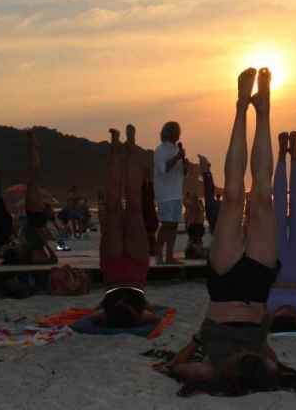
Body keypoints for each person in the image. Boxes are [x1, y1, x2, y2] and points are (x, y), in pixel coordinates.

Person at [169, 68, 280, 394]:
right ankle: (263, 111)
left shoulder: (211, 370)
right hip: (258, 291)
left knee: (232, 197)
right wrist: (261, 339)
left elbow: (176, 367)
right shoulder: (262, 368)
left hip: (225, 288)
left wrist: (197, 339)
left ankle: (240, 106)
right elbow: (272, 362)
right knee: (262, 196)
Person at [87, 128, 161, 328]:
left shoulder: (137, 312)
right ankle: (117, 145)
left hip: (134, 275)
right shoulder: (107, 312)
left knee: (132, 205)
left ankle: (127, 145)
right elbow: (95, 317)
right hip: (114, 275)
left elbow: (153, 318)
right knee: (117, 207)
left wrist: (143, 309)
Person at [268, 131, 296, 333]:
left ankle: (280, 155)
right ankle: (293, 155)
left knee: (278, 206)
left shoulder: (268, 313)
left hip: (275, 264)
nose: (285, 312)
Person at [21, 131, 59, 264]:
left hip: (35, 214)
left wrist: (51, 252)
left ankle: (32, 145)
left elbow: (41, 233)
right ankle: (33, 145)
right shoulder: (36, 247)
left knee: (34, 175)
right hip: (35, 214)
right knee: (34, 175)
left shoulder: (35, 248)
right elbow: (42, 233)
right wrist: (51, 251)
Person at [155, 121, 186, 265]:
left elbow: (182, 172)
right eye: (175, 131)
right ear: (168, 132)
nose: (178, 134)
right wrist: (178, 157)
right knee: (166, 224)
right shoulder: (160, 150)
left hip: (177, 193)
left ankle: (169, 256)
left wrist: (184, 163)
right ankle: (158, 254)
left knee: (173, 226)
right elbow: (164, 169)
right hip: (165, 194)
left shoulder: (176, 149)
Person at [199, 154, 221, 235]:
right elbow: (209, 190)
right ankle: (205, 169)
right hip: (213, 212)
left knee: (209, 190)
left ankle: (205, 169)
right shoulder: (216, 204)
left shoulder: (215, 204)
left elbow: (209, 190)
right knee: (209, 190)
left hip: (212, 212)